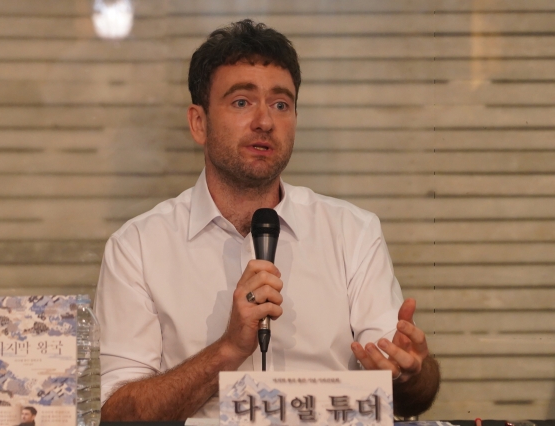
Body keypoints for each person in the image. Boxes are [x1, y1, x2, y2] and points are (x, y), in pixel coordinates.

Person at [95, 19, 440, 421]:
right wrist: (227, 350)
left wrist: (412, 373)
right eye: (242, 102)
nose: (265, 121)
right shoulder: (137, 246)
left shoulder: (352, 232)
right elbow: (117, 413)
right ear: (198, 122)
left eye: (281, 104)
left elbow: (407, 395)